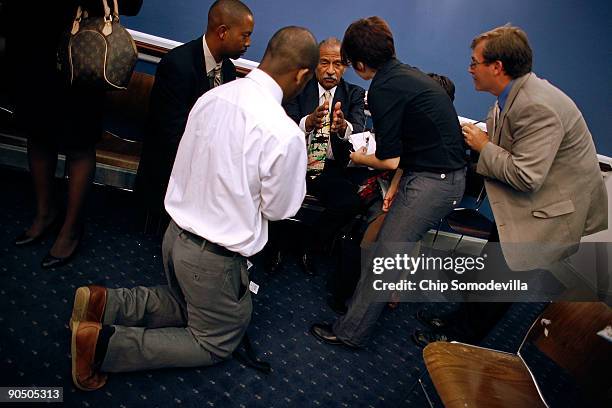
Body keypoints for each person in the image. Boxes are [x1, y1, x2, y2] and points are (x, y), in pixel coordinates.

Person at [69, 26, 319, 391]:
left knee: (184, 302)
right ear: (302, 75)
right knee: (214, 340)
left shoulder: (213, 96)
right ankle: (102, 345)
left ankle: (102, 303)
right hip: (213, 259)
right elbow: (280, 209)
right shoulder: (284, 132)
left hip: (174, 237)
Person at [414, 24, 607, 346]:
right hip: (526, 205)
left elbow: (526, 175)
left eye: (475, 62)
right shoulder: (508, 97)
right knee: (491, 267)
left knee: (501, 279)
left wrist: (483, 147)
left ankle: (462, 339)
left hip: (548, 211)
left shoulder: (537, 106)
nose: (470, 69)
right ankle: (460, 320)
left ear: (497, 67)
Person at [310, 16, 466, 348]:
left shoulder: (382, 88)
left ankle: (350, 333)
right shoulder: (404, 73)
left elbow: (392, 158)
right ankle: (365, 311)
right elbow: (411, 146)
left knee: (384, 257)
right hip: (435, 176)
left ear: (361, 63)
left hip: (433, 182)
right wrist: (395, 186)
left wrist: (355, 157)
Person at [8, 0, 143, 268]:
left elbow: (132, 4)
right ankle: (44, 213)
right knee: (37, 133)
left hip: (82, 49)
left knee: (79, 142)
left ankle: (71, 229)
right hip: (34, 42)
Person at [135, 0, 254, 229]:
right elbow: (169, 132)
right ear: (222, 32)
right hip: (170, 165)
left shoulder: (228, 70)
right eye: (245, 36)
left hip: (202, 160)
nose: (248, 43)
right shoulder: (178, 64)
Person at [277, 37, 367, 273]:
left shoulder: (354, 94)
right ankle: (277, 245)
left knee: (350, 203)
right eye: (324, 63)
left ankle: (310, 244)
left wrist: (341, 127)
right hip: (295, 162)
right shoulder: (299, 86)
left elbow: (357, 127)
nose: (330, 70)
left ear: (345, 66)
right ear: (315, 63)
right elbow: (283, 121)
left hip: (330, 167)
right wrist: (308, 122)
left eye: (337, 64)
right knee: (273, 189)